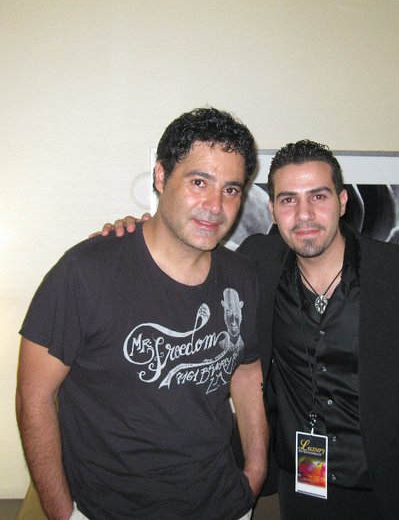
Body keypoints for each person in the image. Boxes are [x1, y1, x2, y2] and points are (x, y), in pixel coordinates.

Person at [104, 139, 399, 519]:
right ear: (272, 209)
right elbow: (185, 255)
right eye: (288, 200)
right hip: (304, 488)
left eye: (318, 196)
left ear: (342, 201)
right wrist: (136, 233)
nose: (304, 214)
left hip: (394, 491)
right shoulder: (257, 263)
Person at [16, 107, 268, 520]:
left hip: (224, 504)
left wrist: (254, 473)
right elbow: (33, 396)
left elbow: (247, 371)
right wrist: (63, 514)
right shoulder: (86, 272)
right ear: (161, 176)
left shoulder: (242, 277)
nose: (215, 206)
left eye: (230, 189)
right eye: (199, 182)